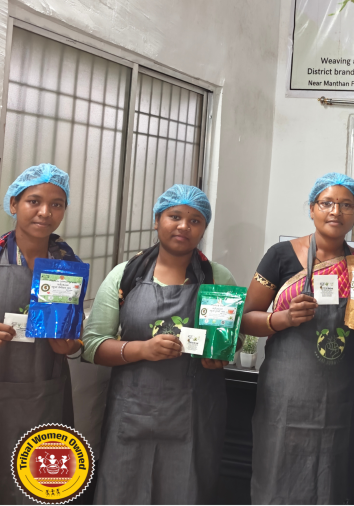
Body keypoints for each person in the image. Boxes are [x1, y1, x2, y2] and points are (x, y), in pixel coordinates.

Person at [83, 184, 235, 504]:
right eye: (174, 216)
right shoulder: (125, 275)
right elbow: (92, 345)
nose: (183, 226)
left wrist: (218, 356)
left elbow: (228, 342)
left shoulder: (218, 278)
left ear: (203, 228)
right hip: (131, 414)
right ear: (157, 221)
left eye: (195, 220)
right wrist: (142, 349)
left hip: (194, 416)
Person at [243, 172, 354, 504]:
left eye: (346, 205)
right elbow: (246, 319)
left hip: (340, 395)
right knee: (278, 472)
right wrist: (282, 318)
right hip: (286, 393)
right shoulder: (281, 255)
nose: (336, 211)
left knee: (333, 474)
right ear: (312, 208)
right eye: (327, 203)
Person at [0, 164, 83, 504]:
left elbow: (75, 337)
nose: (45, 212)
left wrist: (70, 345)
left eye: (57, 204)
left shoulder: (68, 264)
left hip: (44, 393)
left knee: (38, 488)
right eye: (34, 201)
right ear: (14, 203)